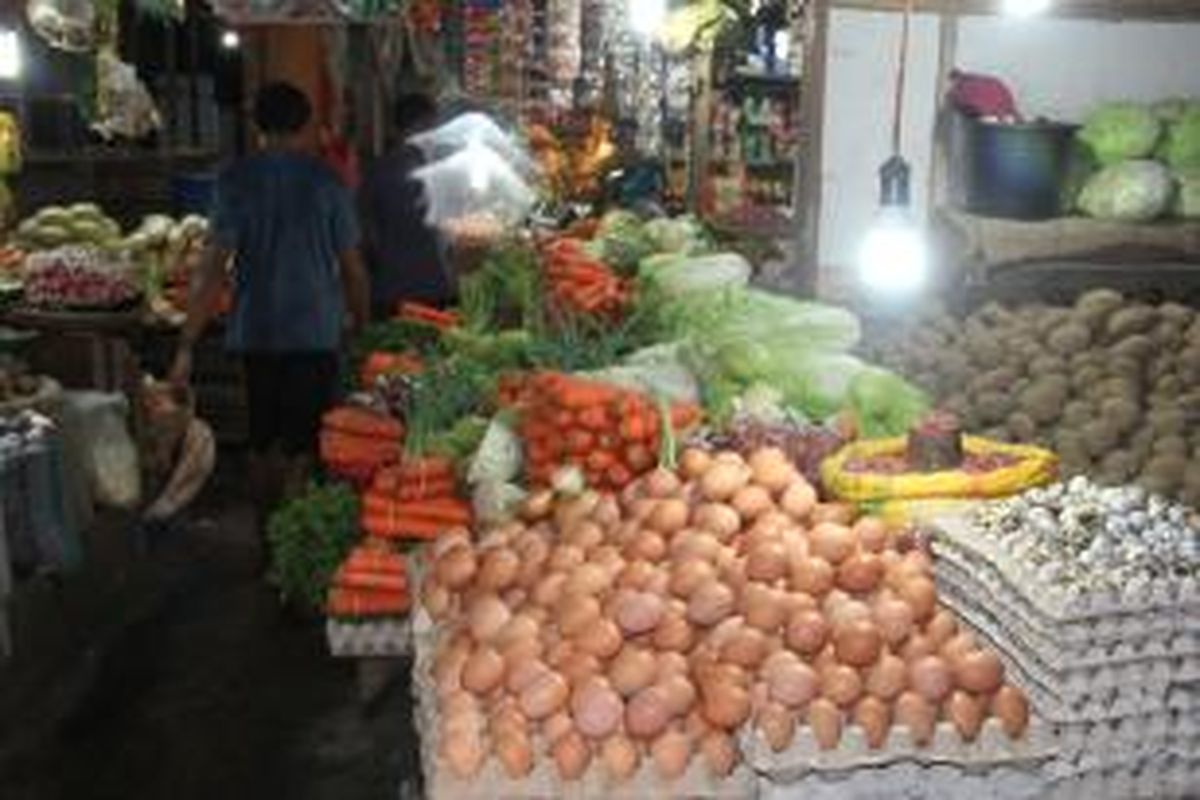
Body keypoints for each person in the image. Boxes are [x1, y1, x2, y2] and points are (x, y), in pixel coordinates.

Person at [169, 82, 370, 564]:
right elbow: (353, 268)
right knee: (303, 444)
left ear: (256, 124)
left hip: (256, 328)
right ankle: (292, 550)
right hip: (314, 330)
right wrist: (363, 327)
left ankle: (266, 540)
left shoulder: (235, 179)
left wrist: (185, 343)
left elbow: (212, 267)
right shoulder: (327, 182)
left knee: (261, 439)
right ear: (305, 124)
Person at [359, 91, 453, 319]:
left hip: (388, 290)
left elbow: (366, 236)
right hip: (434, 288)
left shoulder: (374, 171)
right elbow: (450, 232)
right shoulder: (439, 171)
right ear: (423, 124)